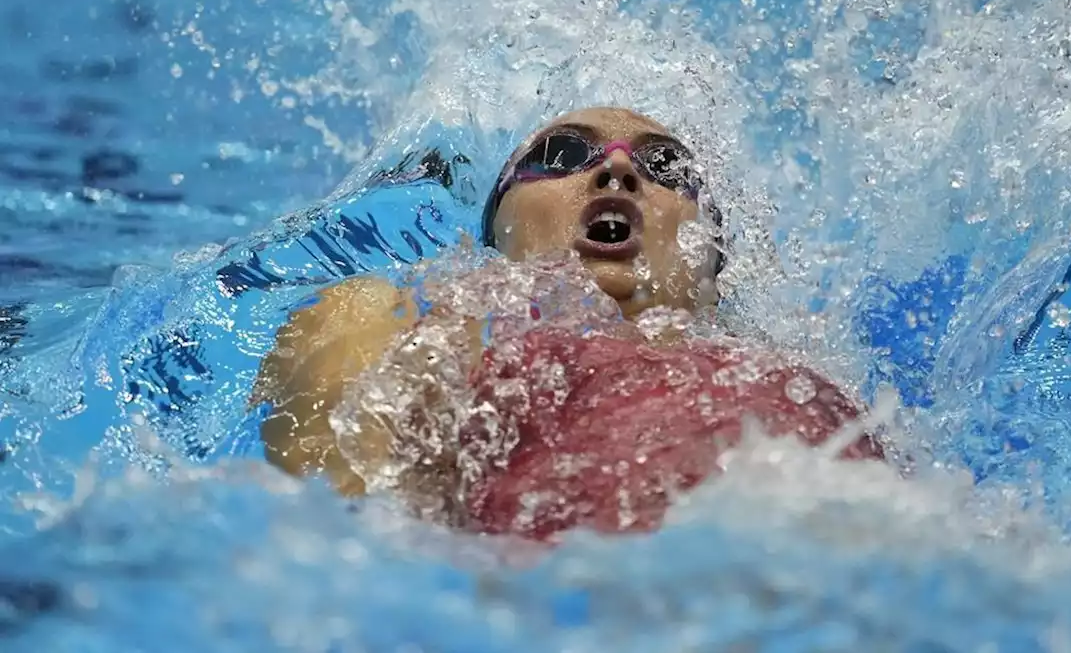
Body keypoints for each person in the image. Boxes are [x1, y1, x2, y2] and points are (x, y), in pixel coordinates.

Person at [252, 107, 883, 542]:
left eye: (668, 168)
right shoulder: (409, 318)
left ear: (713, 270)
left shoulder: (802, 365)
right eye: (562, 154)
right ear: (495, 232)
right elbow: (339, 526)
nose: (617, 171)